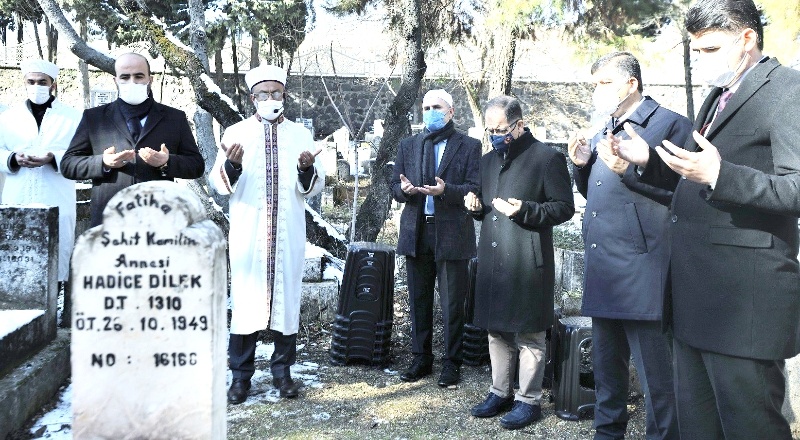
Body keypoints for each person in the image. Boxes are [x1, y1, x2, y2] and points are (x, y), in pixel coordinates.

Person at [612, 0, 800, 437]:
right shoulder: (719, 94)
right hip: (696, 298)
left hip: (744, 303)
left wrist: (721, 174)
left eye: (711, 50)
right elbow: (699, 181)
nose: (701, 63)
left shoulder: (789, 90)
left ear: (748, 38)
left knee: (749, 427)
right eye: (696, 52)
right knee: (698, 426)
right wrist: (650, 160)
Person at [568, 52, 690, 440]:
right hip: (604, 266)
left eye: (604, 83)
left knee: (657, 378)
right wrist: (582, 166)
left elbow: (685, 195)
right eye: (595, 84)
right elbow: (602, 195)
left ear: (632, 83)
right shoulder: (606, 127)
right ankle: (607, 434)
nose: (596, 91)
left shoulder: (670, 124)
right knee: (607, 367)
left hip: (645, 267)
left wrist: (638, 166)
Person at [209, 64, 325, 404]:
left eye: (276, 93)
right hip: (250, 231)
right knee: (245, 303)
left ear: (284, 96)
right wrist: (232, 166)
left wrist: (306, 170)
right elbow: (217, 183)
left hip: (288, 232)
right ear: (252, 97)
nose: (270, 98)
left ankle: (282, 373)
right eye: (264, 94)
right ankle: (240, 377)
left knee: (286, 301)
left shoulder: (301, 136)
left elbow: (312, 187)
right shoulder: (236, 132)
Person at [465, 96, 574, 430]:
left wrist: (525, 209)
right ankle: (499, 392)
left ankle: (528, 400)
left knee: (529, 334)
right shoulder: (486, 161)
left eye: (501, 129)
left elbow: (563, 207)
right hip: (493, 258)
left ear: (519, 124)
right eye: (490, 130)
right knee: (495, 330)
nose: (496, 135)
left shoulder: (546, 158)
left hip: (528, 260)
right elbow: (487, 205)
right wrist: (475, 206)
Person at [390, 89, 481, 387]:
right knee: (418, 298)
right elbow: (396, 185)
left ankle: (451, 362)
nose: (430, 111)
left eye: (437, 107)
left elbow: (475, 187)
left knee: (453, 302)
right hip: (417, 230)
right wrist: (403, 191)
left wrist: (448, 192)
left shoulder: (468, 146)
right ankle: (421, 358)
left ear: (451, 112)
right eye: (426, 107)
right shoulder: (408, 145)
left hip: (453, 231)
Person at [61, 53, 204, 226]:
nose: (132, 82)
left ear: (150, 79)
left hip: (159, 223)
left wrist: (167, 162)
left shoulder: (174, 118)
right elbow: (68, 164)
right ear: (116, 81)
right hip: (109, 222)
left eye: (138, 76)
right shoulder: (94, 117)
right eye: (125, 77)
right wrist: (103, 163)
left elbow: (196, 166)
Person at [0, 59, 82, 287]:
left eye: (42, 82)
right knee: (18, 258)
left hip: (56, 194)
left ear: (53, 84)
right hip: (18, 195)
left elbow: (82, 154)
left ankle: (52, 306)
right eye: (31, 81)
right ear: (24, 83)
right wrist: (13, 158)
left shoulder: (73, 117)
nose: (36, 86)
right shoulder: (8, 117)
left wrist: (53, 157)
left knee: (54, 258)